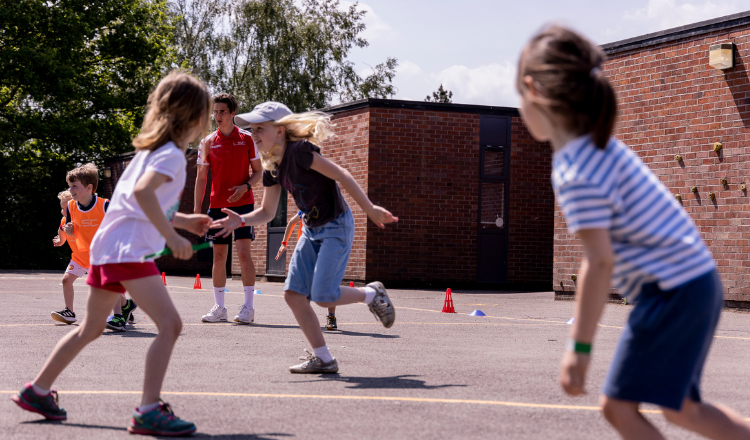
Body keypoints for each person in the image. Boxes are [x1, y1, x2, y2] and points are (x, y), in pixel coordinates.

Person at [517, 25, 750, 440]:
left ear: (532, 89)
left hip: (673, 291)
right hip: (696, 282)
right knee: (682, 410)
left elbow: (599, 261)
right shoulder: (602, 146)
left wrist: (579, 348)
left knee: (619, 407)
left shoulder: (574, 169)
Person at [12, 71, 213, 436]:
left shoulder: (149, 152)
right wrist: (172, 234)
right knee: (171, 325)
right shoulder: (169, 155)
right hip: (129, 250)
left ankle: (37, 390)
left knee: (90, 328)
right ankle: (149, 410)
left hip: (110, 247)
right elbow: (143, 197)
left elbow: (132, 201)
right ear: (195, 116)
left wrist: (183, 220)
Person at [211, 101, 398, 374]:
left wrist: (369, 209)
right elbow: (266, 212)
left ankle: (372, 294)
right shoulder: (271, 166)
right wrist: (241, 220)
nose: (253, 134)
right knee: (293, 294)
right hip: (311, 230)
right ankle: (324, 358)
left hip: (335, 225)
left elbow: (342, 175)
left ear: (281, 131)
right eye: (252, 129)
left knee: (323, 295)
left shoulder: (299, 152)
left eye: (259, 128)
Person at [194, 93, 262, 324]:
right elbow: (201, 179)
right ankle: (220, 308)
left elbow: (259, 172)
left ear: (233, 113)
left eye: (222, 111)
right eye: (215, 112)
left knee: (243, 254)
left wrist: (246, 187)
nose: (218, 116)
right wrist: (196, 211)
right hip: (217, 208)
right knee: (219, 256)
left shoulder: (248, 139)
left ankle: (248, 308)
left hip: (244, 206)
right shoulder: (207, 142)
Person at [51, 164, 110, 324]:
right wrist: (60, 240)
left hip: (97, 256)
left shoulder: (101, 207)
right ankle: (69, 312)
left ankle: (123, 310)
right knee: (66, 280)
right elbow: (63, 234)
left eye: (74, 187)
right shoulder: (67, 217)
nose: (63, 211)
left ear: (88, 188)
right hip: (79, 257)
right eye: (62, 209)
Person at [276, 211, 338, 331]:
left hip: (323, 250)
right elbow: (292, 222)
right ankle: (307, 318)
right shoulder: (306, 208)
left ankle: (331, 316)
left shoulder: (329, 209)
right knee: (305, 286)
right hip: (307, 251)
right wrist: (284, 243)